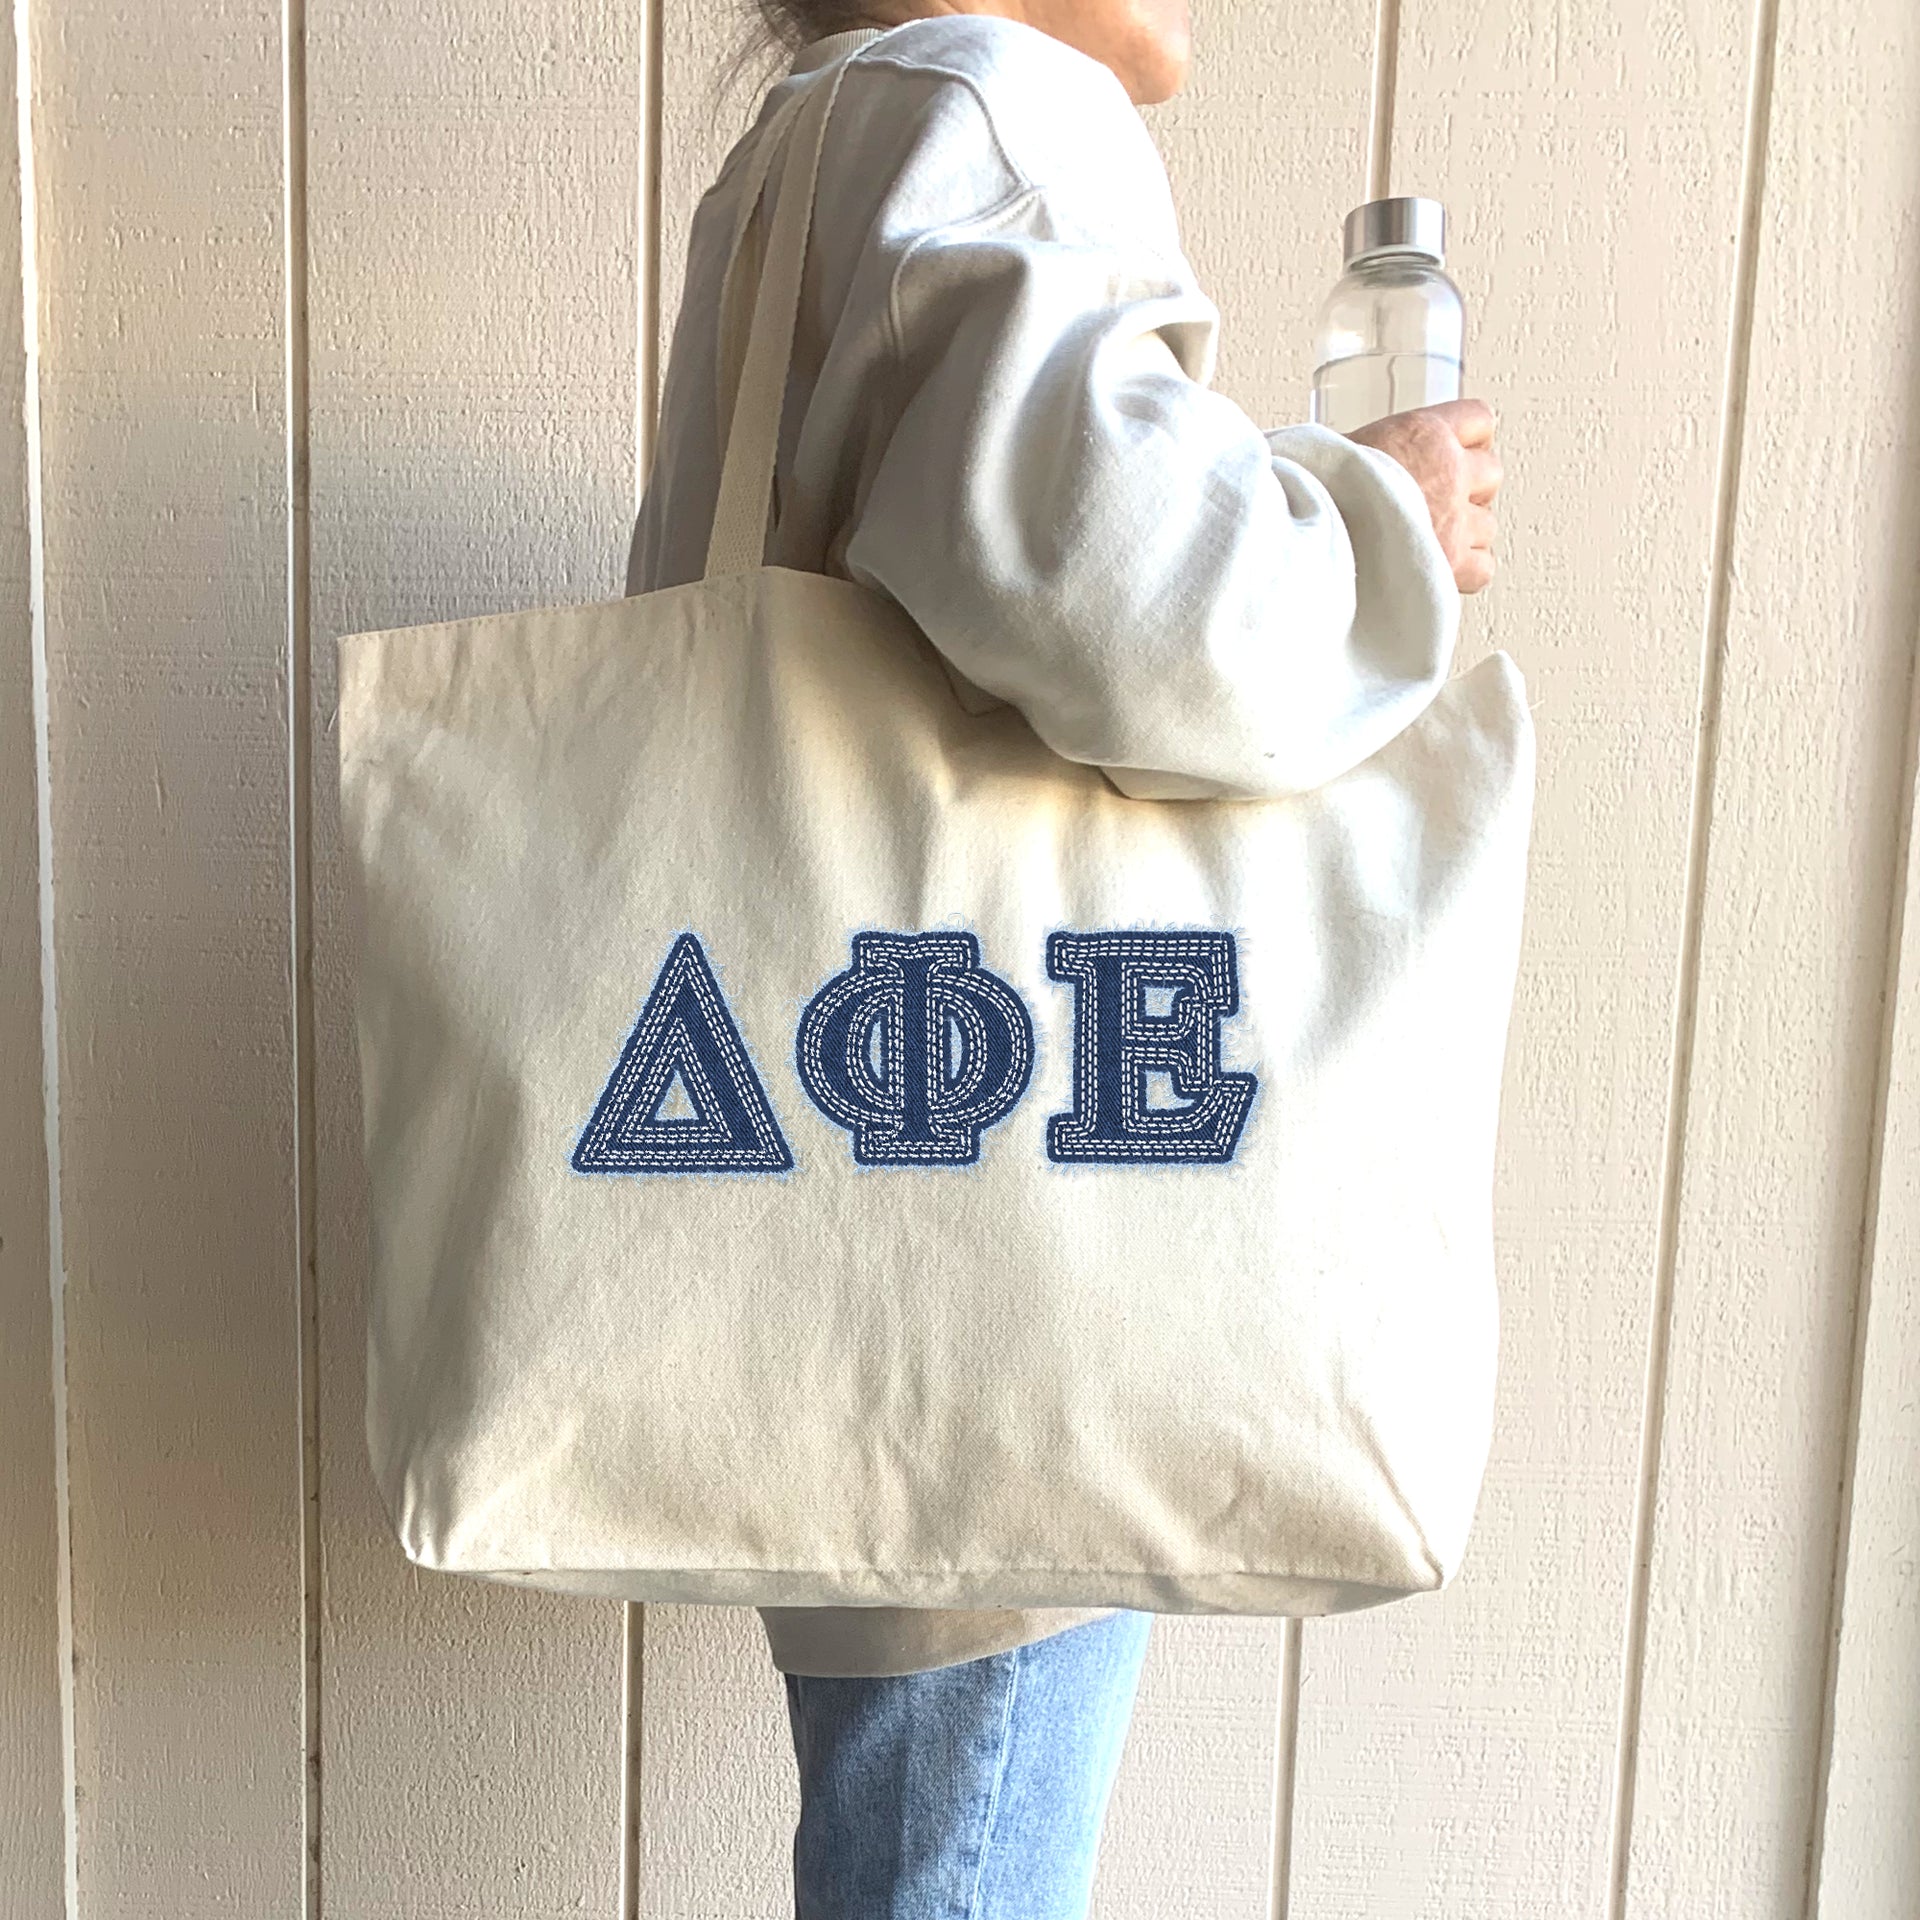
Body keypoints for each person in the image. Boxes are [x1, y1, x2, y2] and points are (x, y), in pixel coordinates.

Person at [626, 4, 1502, 1913]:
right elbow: (1143, 615)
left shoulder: (813, 141)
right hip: (1012, 1226)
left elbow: (998, 543)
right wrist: (1386, 526)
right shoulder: (998, 107)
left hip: (862, 1191)